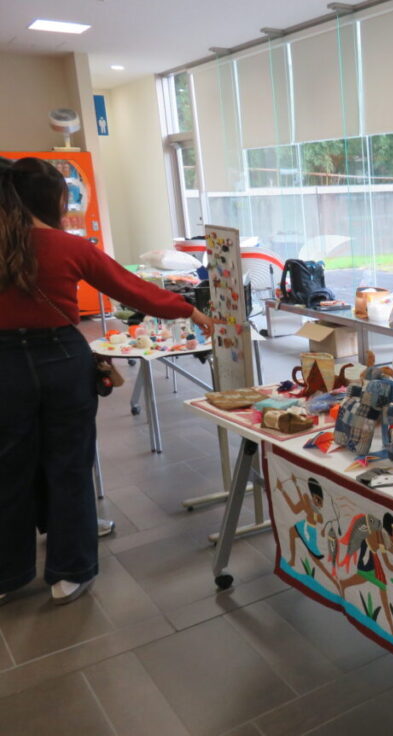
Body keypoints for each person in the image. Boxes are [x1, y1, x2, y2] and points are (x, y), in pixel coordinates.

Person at [0, 156, 215, 607]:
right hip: (62, 360)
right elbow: (132, 288)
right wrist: (190, 310)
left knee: (8, 468)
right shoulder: (68, 247)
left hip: (6, 369)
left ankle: (8, 573)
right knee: (69, 464)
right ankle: (70, 572)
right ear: (54, 200)